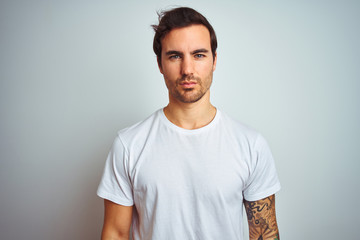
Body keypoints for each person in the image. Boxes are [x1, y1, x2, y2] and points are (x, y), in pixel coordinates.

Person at [97, 6, 281, 240]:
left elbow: (264, 234)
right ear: (160, 64)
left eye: (199, 55)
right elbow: (116, 233)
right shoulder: (129, 144)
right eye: (175, 56)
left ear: (214, 60)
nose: (187, 69)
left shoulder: (250, 145)